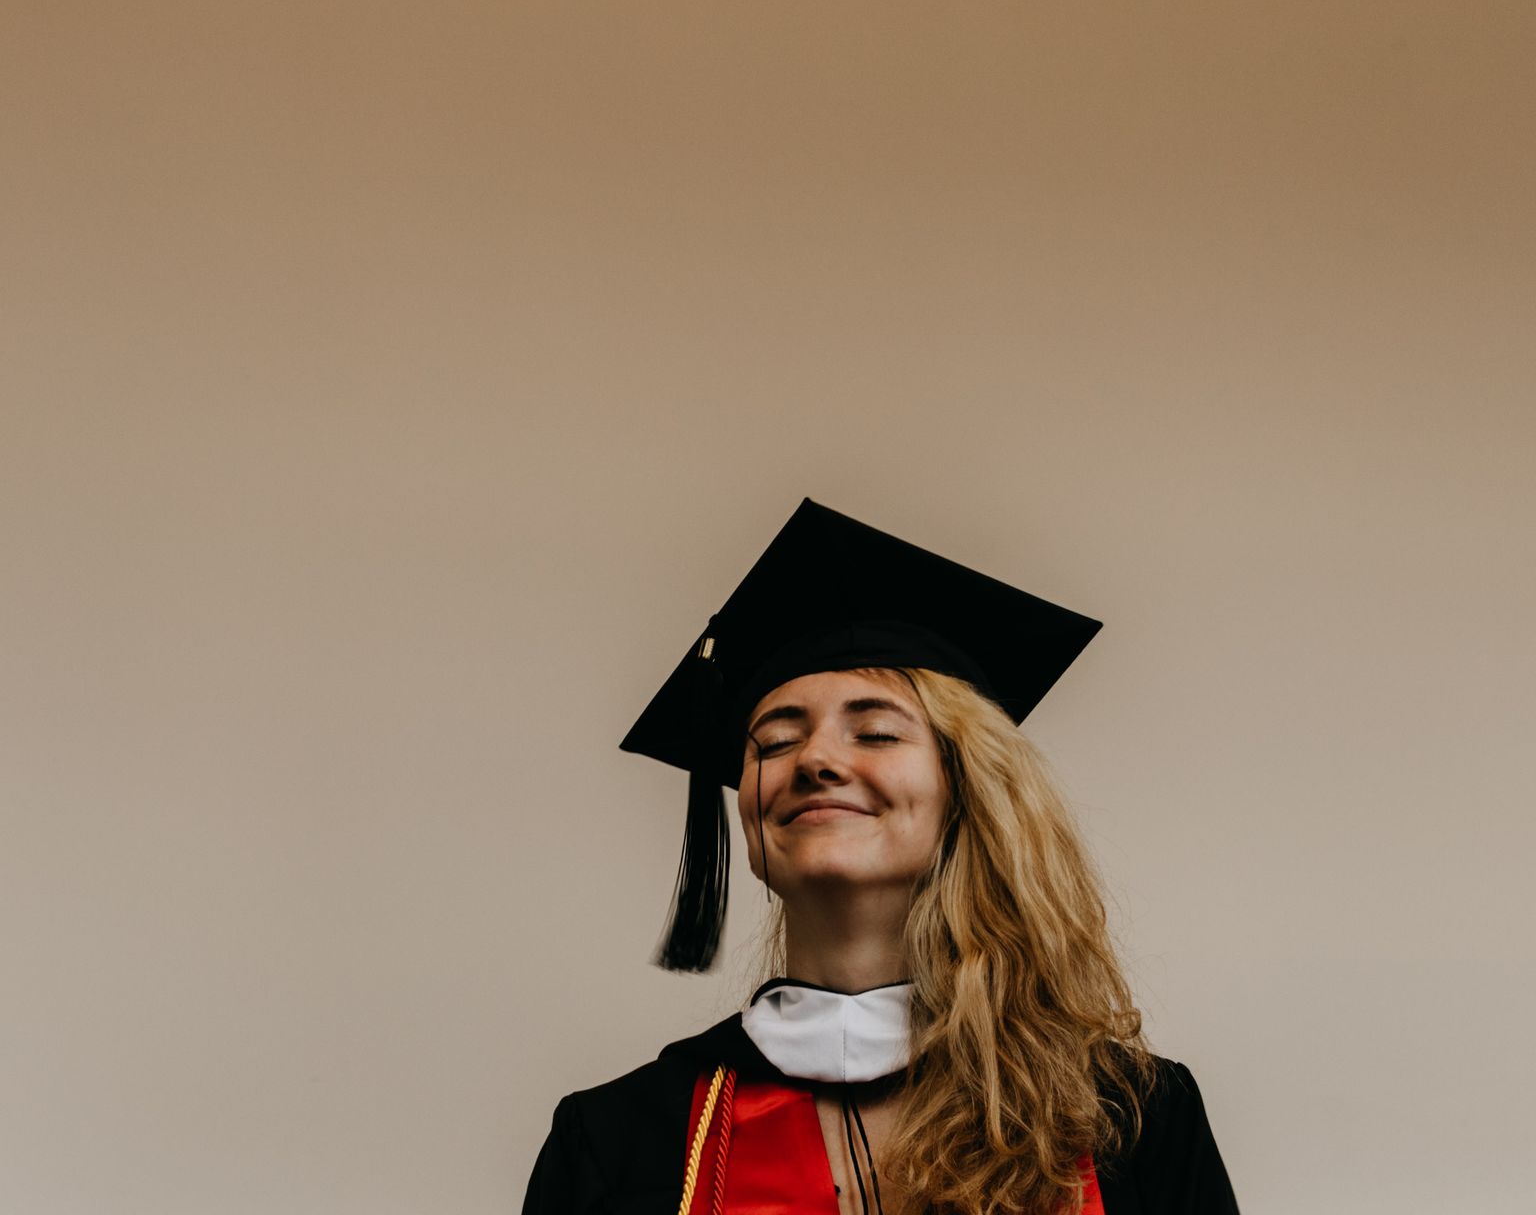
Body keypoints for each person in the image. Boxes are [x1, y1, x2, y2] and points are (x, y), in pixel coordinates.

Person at [523, 500, 1239, 1215]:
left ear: (966, 791)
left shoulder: (1123, 1118)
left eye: (875, 733)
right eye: (773, 741)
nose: (816, 760)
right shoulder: (621, 1141)